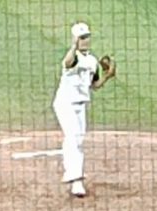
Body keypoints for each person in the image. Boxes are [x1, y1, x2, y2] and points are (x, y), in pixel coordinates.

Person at [52, 22, 116, 198]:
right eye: (81, 37)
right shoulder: (73, 58)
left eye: (87, 37)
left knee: (77, 140)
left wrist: (107, 77)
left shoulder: (92, 61)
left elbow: (94, 85)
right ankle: (76, 180)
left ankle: (72, 174)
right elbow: (67, 62)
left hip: (81, 105)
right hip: (65, 103)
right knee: (73, 138)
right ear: (75, 39)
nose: (85, 40)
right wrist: (73, 46)